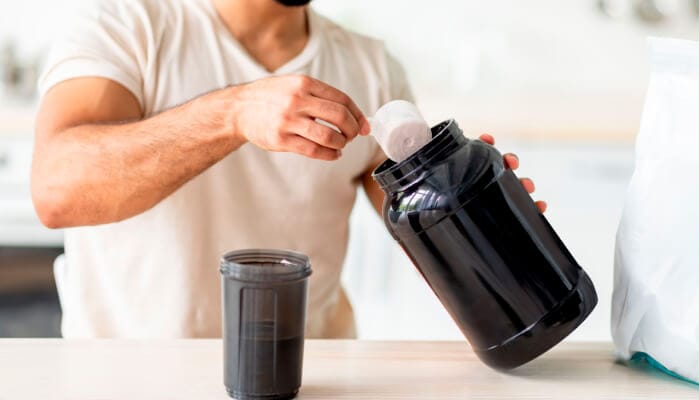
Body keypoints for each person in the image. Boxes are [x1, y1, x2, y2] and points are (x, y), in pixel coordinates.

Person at [31, 0, 546, 338]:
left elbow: (422, 218)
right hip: (133, 377)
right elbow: (57, 189)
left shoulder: (370, 66)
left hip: (305, 374)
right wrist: (230, 114)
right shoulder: (125, 24)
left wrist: (478, 216)